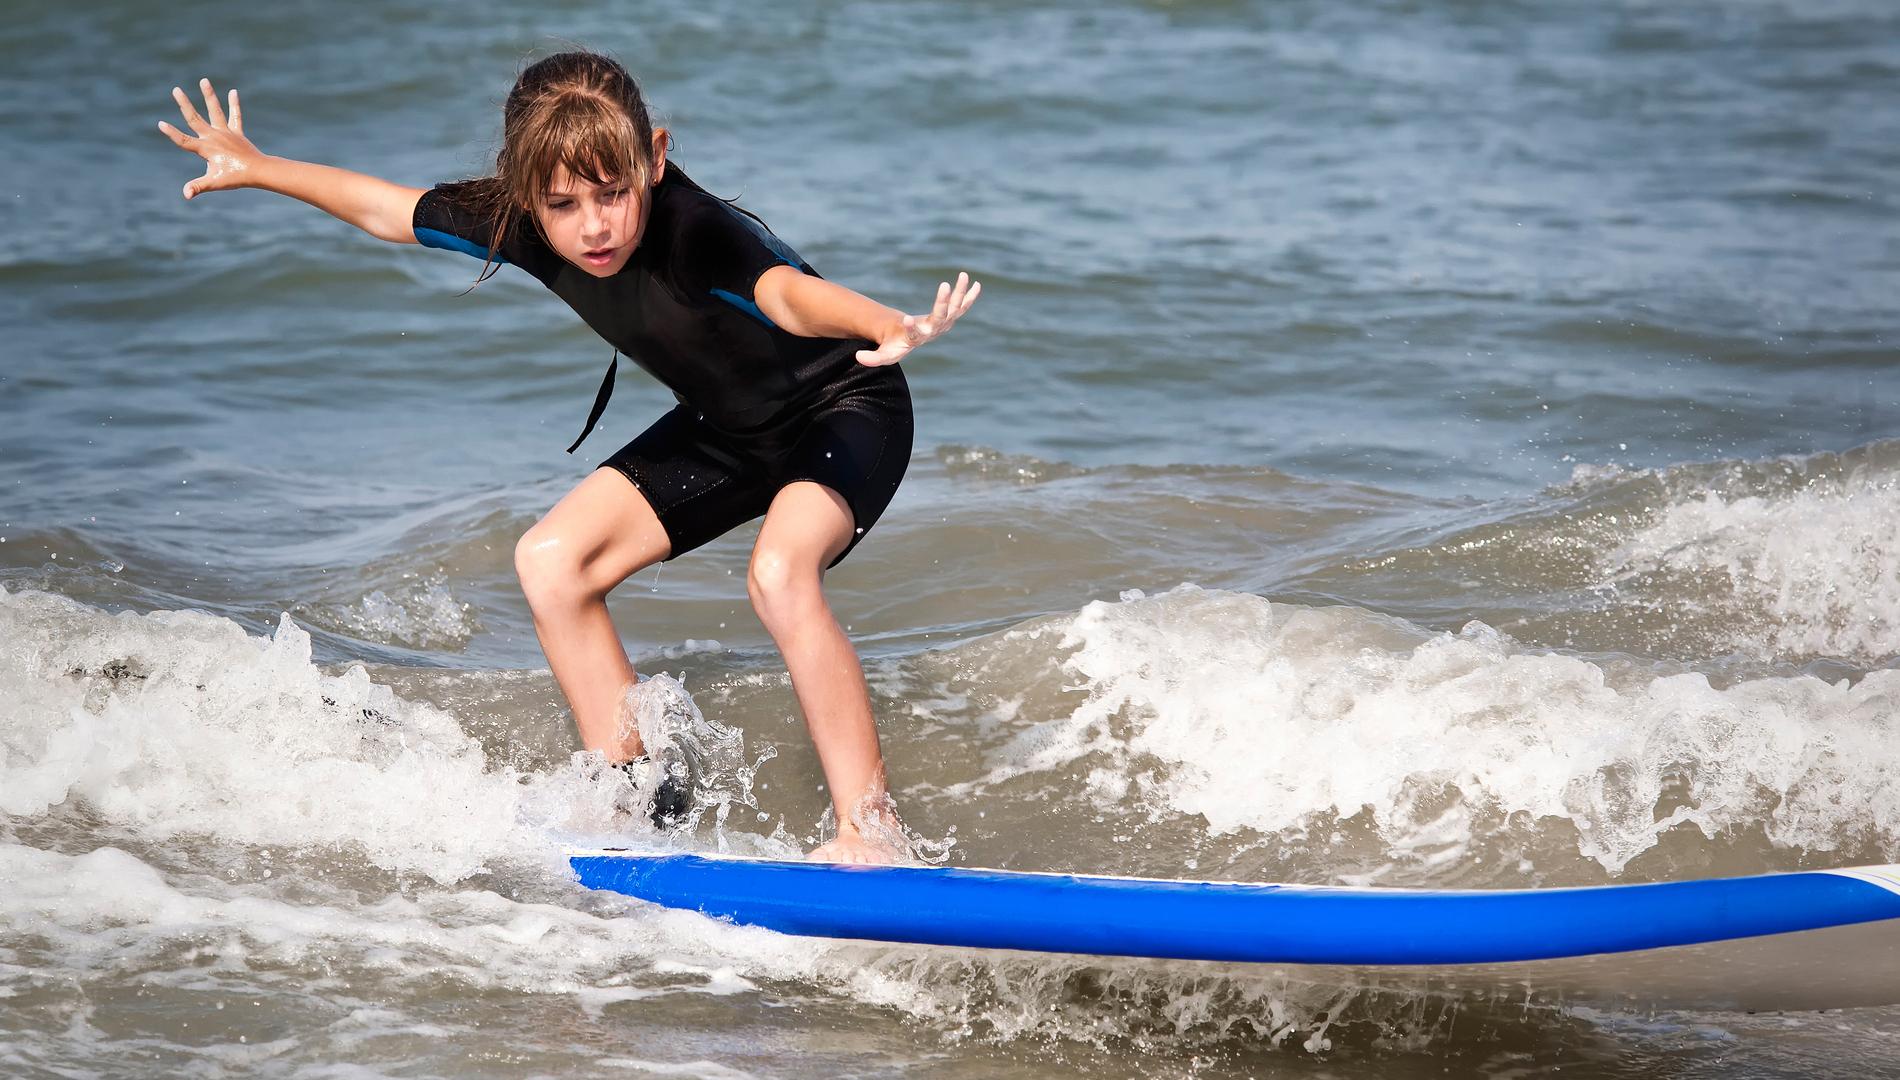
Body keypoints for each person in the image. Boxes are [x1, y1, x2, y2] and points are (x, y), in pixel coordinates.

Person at [157, 52, 979, 864]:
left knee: (779, 573)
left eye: (614, 192)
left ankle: (872, 835)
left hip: (845, 407)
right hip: (730, 428)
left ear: (653, 158)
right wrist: (262, 169)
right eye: (564, 203)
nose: (594, 225)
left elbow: (782, 293)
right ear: (526, 198)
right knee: (553, 562)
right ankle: (638, 805)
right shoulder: (519, 222)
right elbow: (387, 210)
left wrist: (879, 322)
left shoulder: (696, 230)